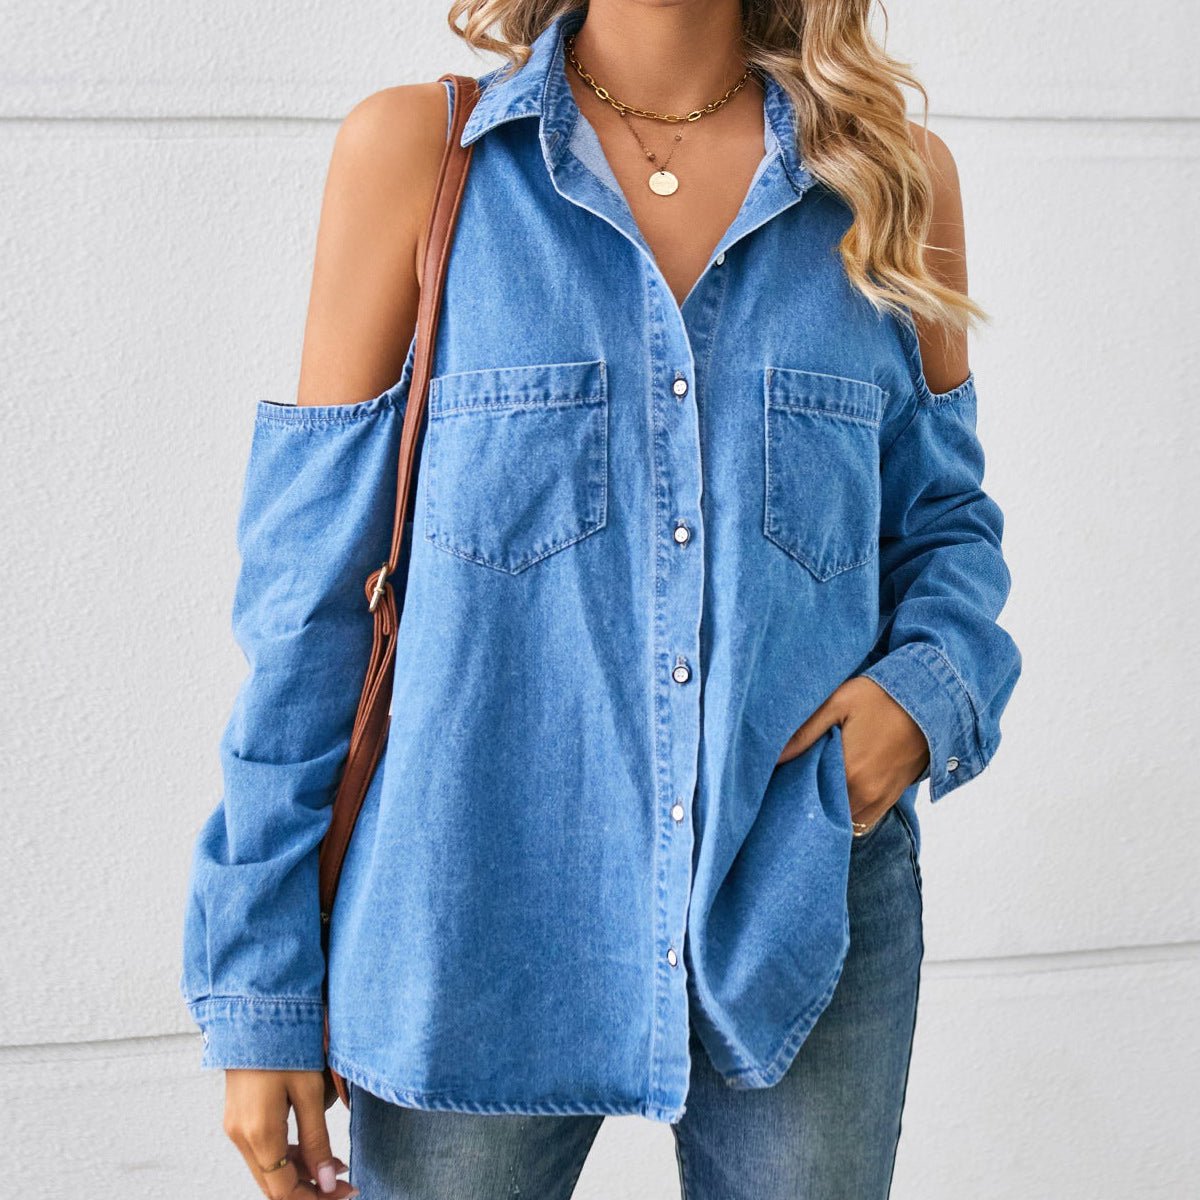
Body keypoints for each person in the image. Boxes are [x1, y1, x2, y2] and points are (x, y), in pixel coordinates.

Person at [179, 2, 1022, 1197]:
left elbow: (947, 532)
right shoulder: (420, 160)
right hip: (472, 914)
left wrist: (921, 700)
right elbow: (309, 606)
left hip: (800, 903)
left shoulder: (892, 184)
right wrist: (261, 992)